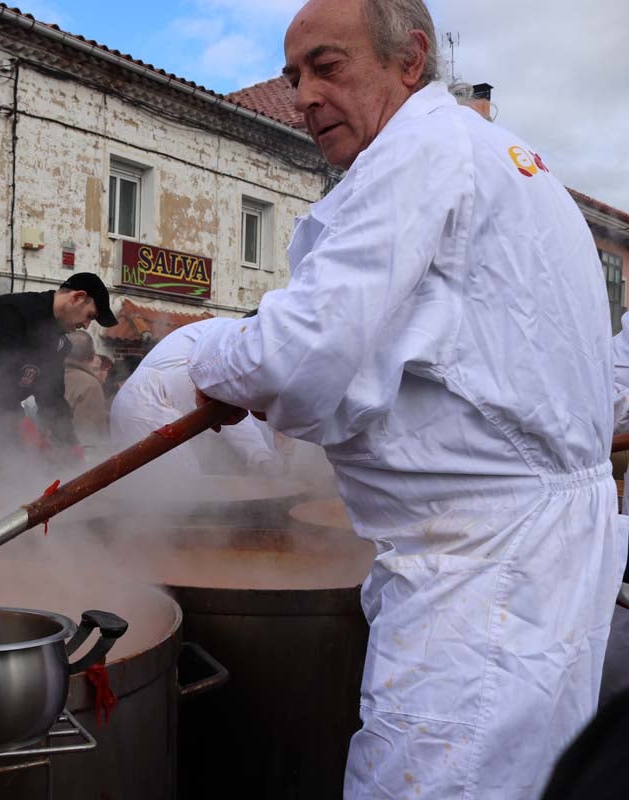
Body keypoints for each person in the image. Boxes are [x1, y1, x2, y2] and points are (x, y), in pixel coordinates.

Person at [186, 0, 626, 796]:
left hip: (478, 577)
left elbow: (297, 359)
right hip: (535, 557)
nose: (304, 96)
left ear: (411, 60)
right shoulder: (497, 156)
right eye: (293, 77)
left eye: (328, 66)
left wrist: (201, 352)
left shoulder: (417, 150)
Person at [0, 272, 117, 461]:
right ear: (77, 297)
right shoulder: (9, 311)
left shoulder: (59, 344)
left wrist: (70, 443)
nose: (86, 325)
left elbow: (52, 400)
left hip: (2, 434)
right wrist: (21, 425)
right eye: (89, 316)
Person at [110, 318, 280, 476]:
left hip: (139, 402)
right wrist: (261, 458)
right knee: (181, 491)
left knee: (146, 491)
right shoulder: (242, 344)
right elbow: (224, 406)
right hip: (148, 405)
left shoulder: (234, 335)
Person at [64, 331, 109, 446]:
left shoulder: (52, 377)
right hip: (74, 458)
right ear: (91, 355)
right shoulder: (90, 386)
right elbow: (89, 437)